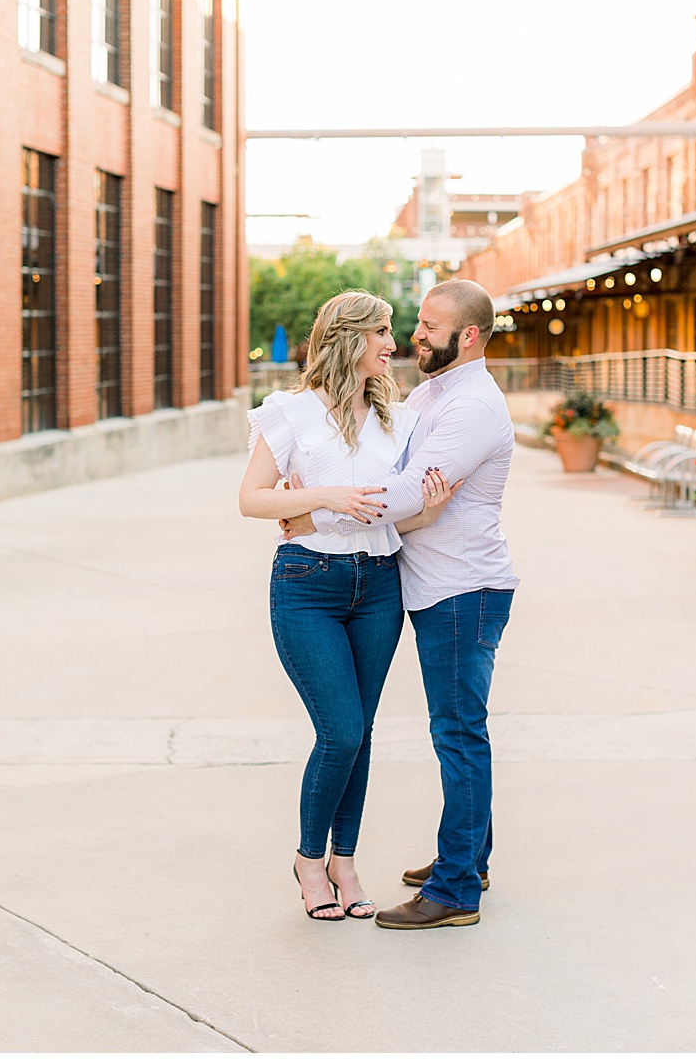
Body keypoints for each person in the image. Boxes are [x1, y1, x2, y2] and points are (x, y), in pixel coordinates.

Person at [282, 279, 517, 930]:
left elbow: (410, 491)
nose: (415, 335)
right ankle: (469, 856)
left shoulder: (473, 405)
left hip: (462, 589)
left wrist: (316, 514)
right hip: (431, 585)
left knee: (458, 733)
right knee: (456, 730)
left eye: (429, 326)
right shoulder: (432, 392)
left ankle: (456, 889)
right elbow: (384, 465)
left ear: (468, 335)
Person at [237, 291, 459, 922]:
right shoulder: (290, 412)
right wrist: (322, 499)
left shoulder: (400, 420)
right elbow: (252, 499)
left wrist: (428, 510)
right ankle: (310, 860)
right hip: (308, 585)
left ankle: (346, 862)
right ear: (347, 337)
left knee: (360, 733)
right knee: (339, 731)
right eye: (382, 332)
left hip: (379, 585)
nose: (394, 343)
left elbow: (393, 512)